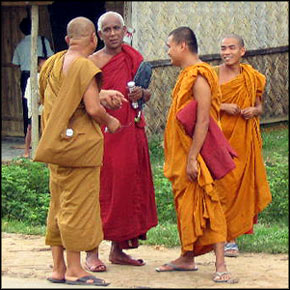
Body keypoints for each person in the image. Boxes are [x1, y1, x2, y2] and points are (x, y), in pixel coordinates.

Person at [37, 16, 126, 286]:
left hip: (55, 146)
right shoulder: (85, 66)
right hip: (79, 149)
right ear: (93, 39)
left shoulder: (51, 63)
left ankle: (58, 268)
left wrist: (101, 92)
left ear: (67, 40)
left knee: (58, 205)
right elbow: (92, 109)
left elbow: (64, 98)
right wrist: (111, 121)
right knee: (78, 208)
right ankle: (76, 269)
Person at [155, 26, 238, 284]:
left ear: (182, 46)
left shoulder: (199, 76)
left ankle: (221, 265)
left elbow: (203, 121)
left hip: (197, 152)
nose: (167, 51)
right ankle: (187, 257)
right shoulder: (186, 74)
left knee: (209, 204)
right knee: (186, 206)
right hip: (183, 152)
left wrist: (192, 157)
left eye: (169, 46)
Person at [85, 11, 158, 272]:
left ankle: (118, 249)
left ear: (124, 30)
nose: (113, 34)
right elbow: (83, 96)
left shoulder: (132, 57)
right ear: (99, 33)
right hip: (101, 134)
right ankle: (91, 252)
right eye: (107, 29)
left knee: (127, 189)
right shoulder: (90, 62)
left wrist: (142, 93)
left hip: (129, 132)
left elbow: (145, 95)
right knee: (101, 191)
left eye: (117, 28)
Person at [214, 34, 272, 257]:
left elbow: (259, 106)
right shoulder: (212, 74)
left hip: (243, 137)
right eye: (223, 48)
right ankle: (218, 235)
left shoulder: (252, 77)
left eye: (231, 48)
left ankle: (231, 237)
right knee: (222, 185)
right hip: (218, 138)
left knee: (239, 185)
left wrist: (254, 111)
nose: (226, 52)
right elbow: (200, 103)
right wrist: (222, 106)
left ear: (242, 51)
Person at [12, 17, 54, 138]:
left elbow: (15, 63)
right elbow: (51, 57)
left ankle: (28, 135)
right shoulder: (42, 41)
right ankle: (45, 134)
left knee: (28, 106)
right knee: (46, 103)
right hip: (42, 74)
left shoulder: (20, 45)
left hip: (26, 75)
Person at [23, 57, 47, 158]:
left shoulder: (48, 78)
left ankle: (43, 151)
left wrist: (42, 99)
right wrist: (35, 103)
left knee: (44, 128)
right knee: (30, 128)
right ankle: (26, 150)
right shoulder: (32, 78)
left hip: (45, 106)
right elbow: (28, 94)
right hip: (34, 106)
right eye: (42, 64)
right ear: (37, 67)